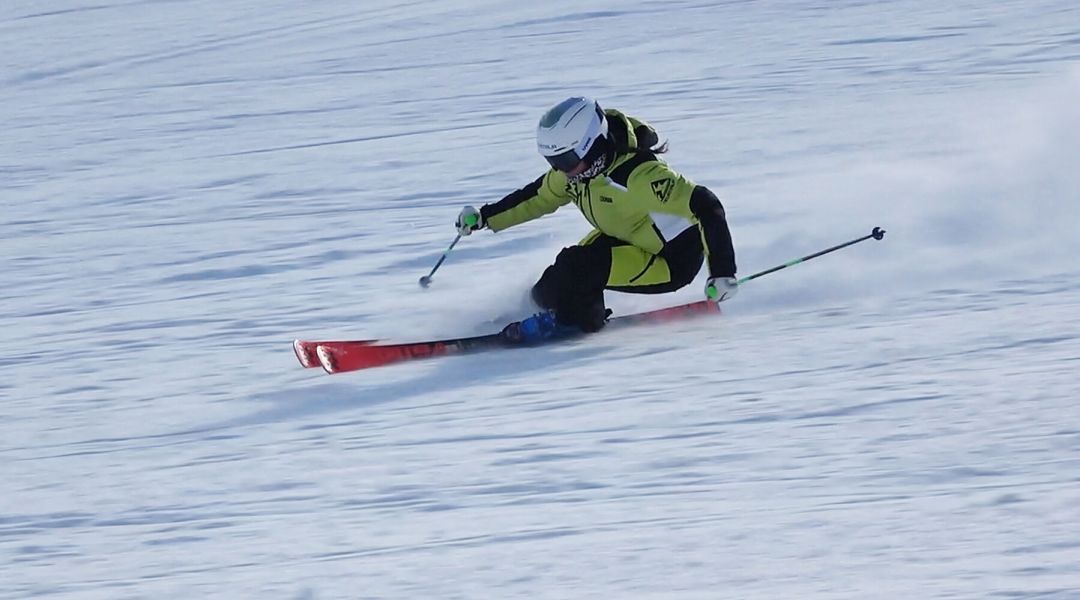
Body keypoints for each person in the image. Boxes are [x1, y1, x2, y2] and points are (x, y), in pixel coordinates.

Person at [455, 96, 738, 335]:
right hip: (627, 238)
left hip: (669, 259)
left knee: (577, 267)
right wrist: (485, 217)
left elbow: (707, 205)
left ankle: (575, 322)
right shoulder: (577, 173)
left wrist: (723, 272)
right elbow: (537, 197)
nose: (561, 169)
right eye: (553, 162)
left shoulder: (640, 176)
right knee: (552, 284)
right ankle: (536, 310)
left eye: (565, 160)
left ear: (591, 144)